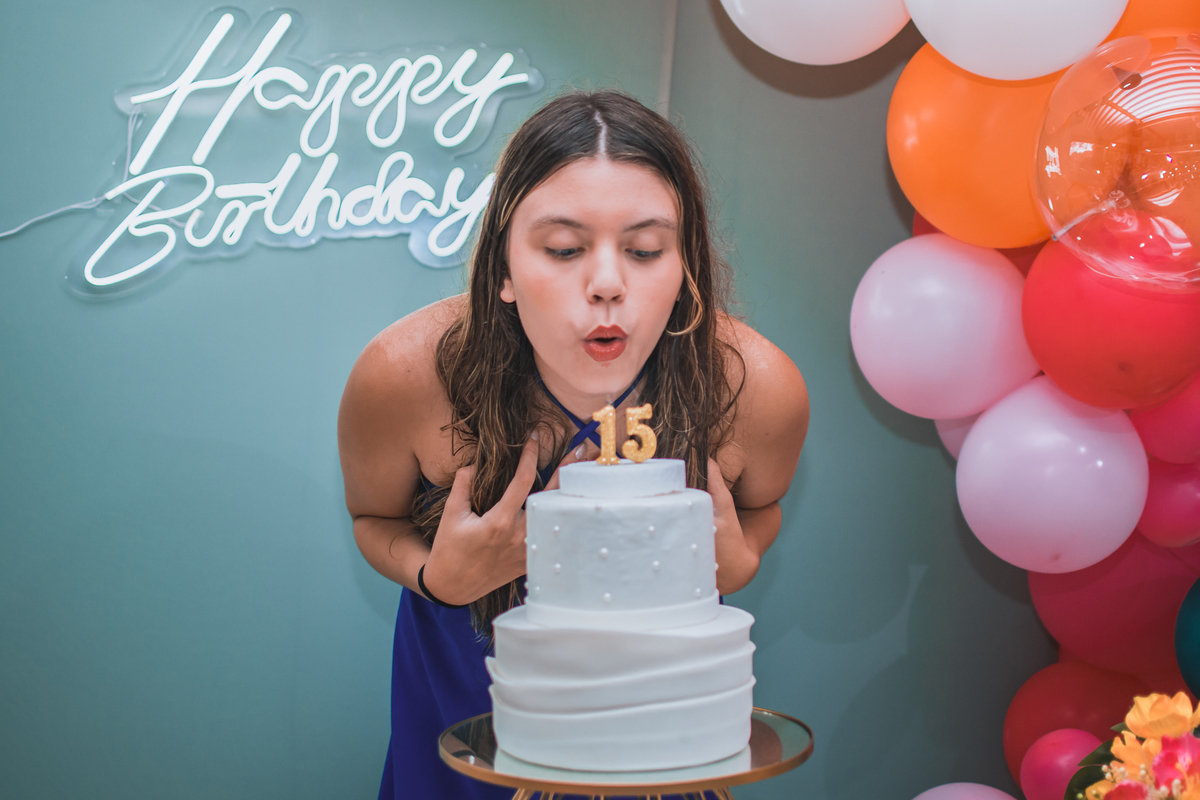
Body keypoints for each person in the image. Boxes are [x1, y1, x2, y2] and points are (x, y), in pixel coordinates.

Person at [337, 90, 809, 800]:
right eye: (563, 249)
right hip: (461, 738)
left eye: (646, 249)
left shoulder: (756, 389)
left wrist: (740, 557)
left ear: (685, 269)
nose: (608, 284)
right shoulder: (405, 376)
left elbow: (763, 506)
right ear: (501, 267)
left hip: (656, 753)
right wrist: (440, 577)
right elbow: (374, 520)